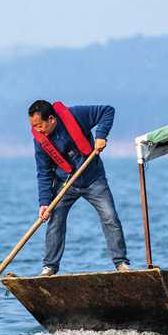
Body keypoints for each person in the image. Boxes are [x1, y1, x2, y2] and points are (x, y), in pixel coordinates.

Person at [29, 100, 130, 276]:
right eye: (34, 126)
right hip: (65, 184)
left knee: (110, 217)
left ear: (51, 119)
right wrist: (44, 203)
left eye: (40, 125)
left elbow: (107, 111)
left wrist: (101, 135)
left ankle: (121, 263)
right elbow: (44, 172)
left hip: (93, 179)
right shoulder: (40, 141)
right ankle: (49, 267)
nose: (38, 130)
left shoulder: (75, 115)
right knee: (55, 221)